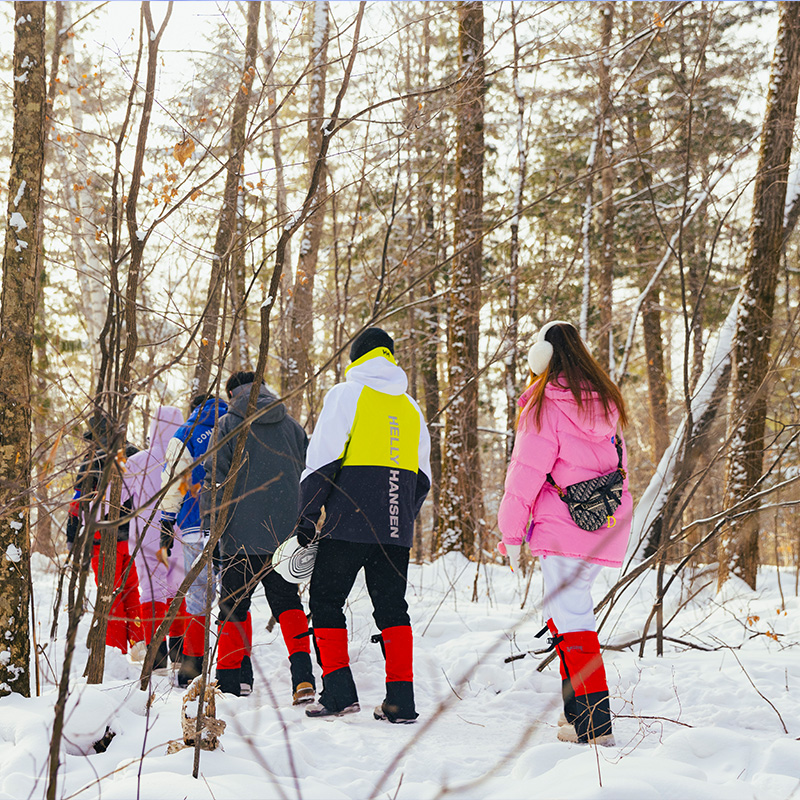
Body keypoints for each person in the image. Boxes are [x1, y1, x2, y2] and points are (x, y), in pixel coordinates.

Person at [497, 320, 632, 746]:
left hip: (562, 525)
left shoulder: (545, 403)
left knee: (572, 620)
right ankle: (578, 716)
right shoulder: (607, 401)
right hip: (603, 523)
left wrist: (511, 533)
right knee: (566, 617)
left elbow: (525, 473)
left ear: (544, 357)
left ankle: (596, 725)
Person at [297, 327, 431, 723]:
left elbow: (321, 460)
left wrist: (305, 519)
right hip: (395, 527)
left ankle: (339, 692)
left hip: (347, 523)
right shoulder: (411, 408)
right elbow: (422, 479)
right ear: (390, 356)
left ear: (356, 357)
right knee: (393, 609)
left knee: (325, 600)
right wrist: (400, 515)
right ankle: (401, 701)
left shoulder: (346, 394)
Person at [200, 371, 314, 701]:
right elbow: (308, 475)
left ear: (233, 392)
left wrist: (212, 524)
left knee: (233, 605)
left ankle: (230, 679)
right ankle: (303, 677)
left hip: (239, 534)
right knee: (288, 603)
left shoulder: (226, 427)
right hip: (284, 534)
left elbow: (214, 479)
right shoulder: (292, 427)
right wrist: (305, 520)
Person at [158, 392, 228, 687]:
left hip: (195, 524)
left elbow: (173, 482)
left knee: (197, 598)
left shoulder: (186, 433)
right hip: (231, 524)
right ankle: (234, 666)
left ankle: (193, 665)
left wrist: (166, 522)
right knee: (235, 595)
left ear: (194, 409)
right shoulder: (236, 423)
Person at [65, 416, 145, 655]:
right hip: (132, 537)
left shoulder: (91, 463)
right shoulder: (136, 456)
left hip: (102, 539)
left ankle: (116, 650)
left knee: (108, 594)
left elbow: (77, 504)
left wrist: (72, 538)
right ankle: (138, 644)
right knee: (131, 590)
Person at [122, 405, 187, 672]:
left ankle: (157, 658)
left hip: (147, 534)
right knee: (178, 591)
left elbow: (117, 498)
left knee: (152, 593)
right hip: (179, 533)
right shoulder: (188, 456)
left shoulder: (138, 461)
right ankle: (180, 654)